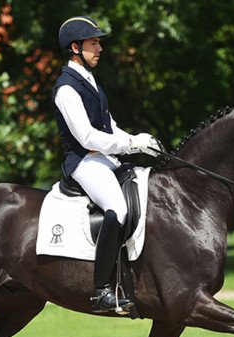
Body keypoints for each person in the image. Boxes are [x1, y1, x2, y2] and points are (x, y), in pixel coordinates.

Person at [53, 16, 161, 314]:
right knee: (119, 208)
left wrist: (140, 141)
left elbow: (110, 127)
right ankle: (101, 291)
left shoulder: (91, 83)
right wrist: (131, 144)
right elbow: (87, 137)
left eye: (98, 42)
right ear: (75, 47)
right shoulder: (66, 88)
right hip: (84, 162)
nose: (99, 48)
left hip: (105, 159)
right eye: (93, 43)